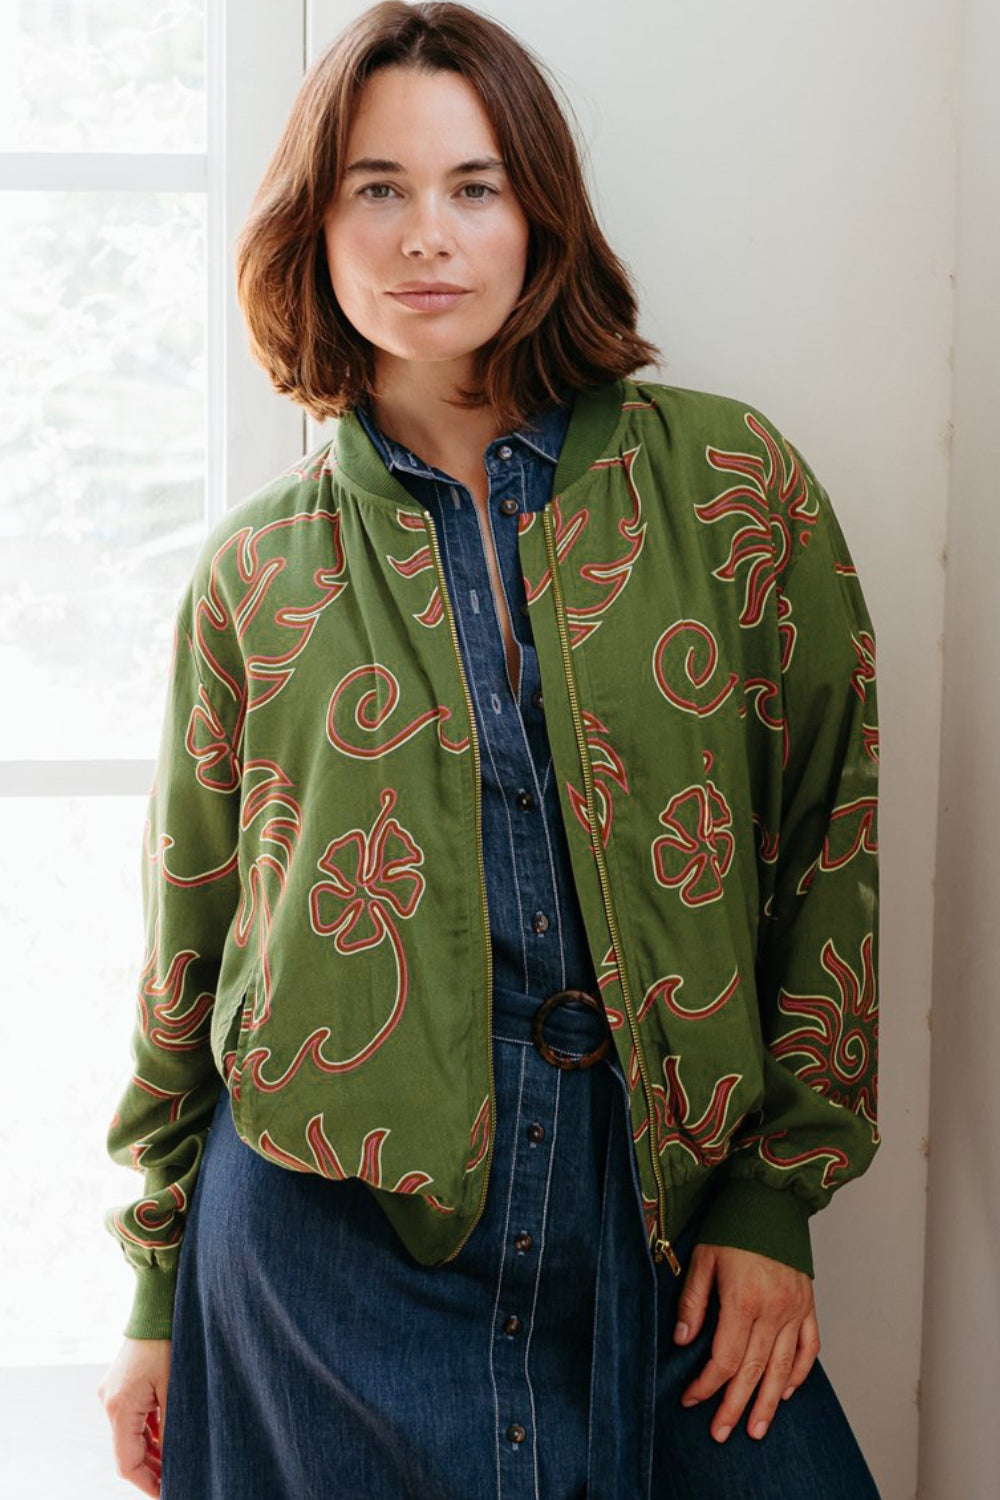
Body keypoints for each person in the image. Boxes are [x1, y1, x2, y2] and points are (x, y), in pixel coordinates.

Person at [96, 4, 882, 1497]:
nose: (423, 237)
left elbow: (826, 844)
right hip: (329, 1252)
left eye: (473, 185)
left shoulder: (732, 489)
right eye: (374, 189)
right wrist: (152, 1290)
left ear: (540, 212)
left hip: (669, 1226)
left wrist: (778, 1198)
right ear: (315, 231)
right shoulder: (257, 572)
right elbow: (192, 939)